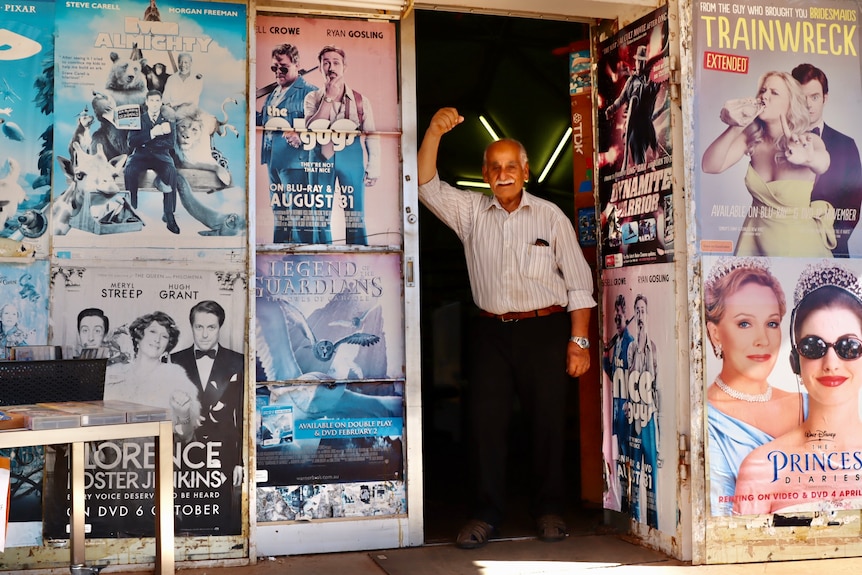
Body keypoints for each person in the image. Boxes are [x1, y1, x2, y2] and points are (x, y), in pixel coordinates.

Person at [417, 107, 596, 548]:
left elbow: (578, 283)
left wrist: (578, 341)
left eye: (510, 166)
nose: (503, 174)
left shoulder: (550, 216)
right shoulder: (471, 212)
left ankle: (550, 509)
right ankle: (485, 513)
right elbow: (424, 185)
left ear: (525, 171)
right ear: (484, 174)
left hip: (545, 329)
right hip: (490, 333)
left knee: (547, 424)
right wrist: (435, 132)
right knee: (485, 425)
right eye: (494, 168)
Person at [734, 262, 862, 515]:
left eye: (849, 347)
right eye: (813, 347)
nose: (831, 364)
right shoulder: (761, 468)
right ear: (796, 361)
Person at [703, 257, 803, 516]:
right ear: (715, 333)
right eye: (744, 323)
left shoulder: (809, 403)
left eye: (771, 323)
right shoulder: (706, 418)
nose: (763, 339)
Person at [702, 71, 835, 257]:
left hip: (799, 250)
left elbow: (823, 163)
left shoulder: (806, 140)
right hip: (754, 247)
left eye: (774, 93)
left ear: (791, 104)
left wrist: (808, 157)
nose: (764, 96)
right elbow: (709, 166)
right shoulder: (752, 139)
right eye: (763, 91)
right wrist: (737, 124)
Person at [171, 300, 245, 533]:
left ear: (219, 327)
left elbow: (242, 415)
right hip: (184, 450)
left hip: (222, 451)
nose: (204, 334)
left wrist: (240, 460)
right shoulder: (174, 361)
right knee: (184, 513)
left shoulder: (238, 361)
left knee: (220, 516)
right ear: (191, 326)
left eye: (210, 327)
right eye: (199, 327)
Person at [304, 45, 380, 245]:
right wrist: (328, 98)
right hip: (320, 156)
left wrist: (374, 167)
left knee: (355, 212)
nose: (331, 67)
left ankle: (359, 255)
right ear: (320, 67)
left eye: (336, 62)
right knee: (319, 212)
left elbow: (372, 134)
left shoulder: (361, 100)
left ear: (345, 67)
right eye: (326, 63)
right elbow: (311, 129)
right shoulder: (312, 98)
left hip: (351, 155)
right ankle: (321, 254)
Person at [791, 63, 862, 258]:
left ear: (825, 98)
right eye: (801, 97)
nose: (808, 104)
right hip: (785, 248)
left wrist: (828, 242)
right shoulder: (779, 142)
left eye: (814, 97)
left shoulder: (847, 145)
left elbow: (853, 205)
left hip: (831, 250)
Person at [104, 311, 200, 441]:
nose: (157, 339)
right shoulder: (113, 373)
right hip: (112, 456)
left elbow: (186, 437)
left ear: (167, 346)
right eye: (153, 332)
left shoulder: (176, 378)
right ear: (139, 336)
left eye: (164, 336)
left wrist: (183, 413)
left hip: (154, 455)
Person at [257, 43, 319, 243]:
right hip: (272, 159)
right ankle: (280, 254)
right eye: (274, 68)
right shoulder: (274, 92)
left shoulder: (310, 92)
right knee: (279, 210)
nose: (278, 73)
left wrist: (302, 135)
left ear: (296, 65)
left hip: (295, 162)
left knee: (298, 211)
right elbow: (266, 121)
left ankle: (304, 257)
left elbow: (323, 125)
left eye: (283, 68)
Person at [124, 89, 181, 234]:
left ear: (161, 102)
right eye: (152, 101)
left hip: (161, 156)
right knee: (129, 170)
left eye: (157, 101)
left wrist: (146, 142)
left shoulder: (168, 119)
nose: (155, 104)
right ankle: (131, 210)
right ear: (147, 102)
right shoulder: (137, 119)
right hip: (140, 156)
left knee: (171, 171)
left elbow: (169, 144)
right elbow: (131, 142)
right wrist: (152, 133)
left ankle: (169, 215)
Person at [624, 294, 659, 527]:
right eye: (637, 310)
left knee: (652, 471)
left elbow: (658, 386)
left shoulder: (652, 348)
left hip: (649, 415)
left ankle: (654, 522)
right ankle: (635, 520)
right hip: (634, 415)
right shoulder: (631, 349)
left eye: (643, 310)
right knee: (635, 471)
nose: (640, 314)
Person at [603, 44, 667, 168]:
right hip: (635, 126)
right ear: (636, 62)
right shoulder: (631, 81)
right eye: (638, 61)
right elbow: (621, 99)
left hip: (647, 124)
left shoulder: (652, 78)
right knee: (640, 161)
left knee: (656, 155)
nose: (640, 65)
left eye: (642, 62)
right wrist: (612, 108)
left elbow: (657, 86)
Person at [602, 294, 634, 514]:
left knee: (626, 454)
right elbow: (612, 373)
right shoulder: (618, 341)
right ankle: (617, 498)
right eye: (615, 313)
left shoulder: (630, 343)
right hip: (616, 411)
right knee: (616, 456)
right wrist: (606, 354)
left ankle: (628, 503)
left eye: (620, 313)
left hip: (627, 410)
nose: (617, 317)